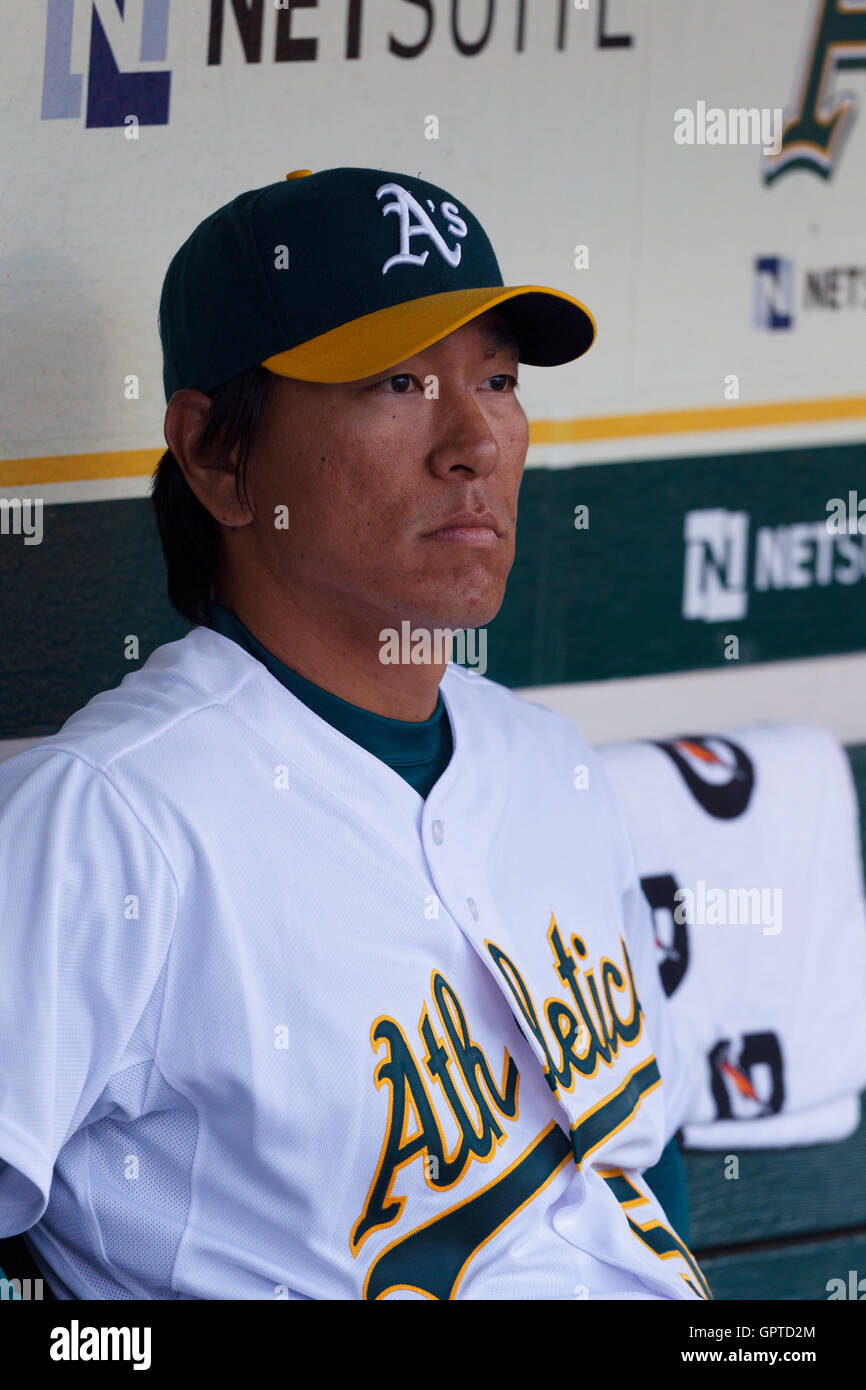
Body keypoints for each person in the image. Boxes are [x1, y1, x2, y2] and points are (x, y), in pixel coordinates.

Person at [0, 166, 705, 1300]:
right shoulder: (107, 820)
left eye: (497, 379)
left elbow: (638, 1162)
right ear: (219, 457)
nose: (474, 440)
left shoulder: (547, 767)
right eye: (396, 381)